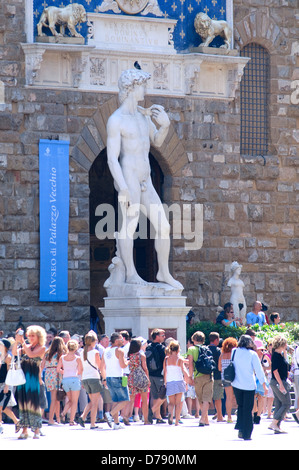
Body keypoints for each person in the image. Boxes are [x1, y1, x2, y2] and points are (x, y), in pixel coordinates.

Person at [106, 67, 182, 289]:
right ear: (131, 88)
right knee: (129, 227)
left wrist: (165, 125)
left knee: (163, 226)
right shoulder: (116, 120)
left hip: (146, 179)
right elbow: (112, 159)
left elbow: (156, 142)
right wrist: (123, 187)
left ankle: (163, 273)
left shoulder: (142, 115)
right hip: (128, 178)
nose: (145, 90)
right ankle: (131, 274)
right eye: (142, 86)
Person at [12, 325, 47, 439]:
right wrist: (17, 341)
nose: (30, 338)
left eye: (33, 336)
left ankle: (36, 430)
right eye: (29, 335)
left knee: (33, 402)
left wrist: (22, 342)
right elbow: (14, 353)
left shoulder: (42, 348)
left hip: (33, 379)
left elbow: (31, 355)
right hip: (23, 379)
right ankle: (25, 430)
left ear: (39, 337)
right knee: (23, 403)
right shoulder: (25, 346)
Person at [231, 335, 268, 441]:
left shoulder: (234, 351)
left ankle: (241, 429)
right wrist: (264, 385)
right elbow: (259, 371)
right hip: (249, 385)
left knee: (241, 406)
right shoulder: (253, 354)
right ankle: (247, 433)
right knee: (248, 409)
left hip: (236, 384)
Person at [102, 332, 130, 430]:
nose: (123, 341)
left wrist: (104, 378)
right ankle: (110, 414)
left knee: (115, 401)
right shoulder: (120, 351)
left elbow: (102, 367)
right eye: (121, 339)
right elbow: (123, 365)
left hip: (109, 378)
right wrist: (128, 361)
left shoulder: (106, 351)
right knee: (125, 400)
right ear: (117, 340)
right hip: (118, 377)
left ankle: (116, 423)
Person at [187, 331, 214, 427]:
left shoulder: (191, 349)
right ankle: (205, 419)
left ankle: (202, 419)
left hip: (198, 375)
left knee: (201, 398)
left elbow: (190, 364)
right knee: (207, 398)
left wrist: (190, 377)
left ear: (194, 339)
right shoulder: (207, 349)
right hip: (209, 375)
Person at [78, 331, 104, 429]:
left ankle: (83, 416)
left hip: (85, 378)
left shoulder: (81, 353)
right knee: (95, 402)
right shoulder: (95, 352)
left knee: (93, 401)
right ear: (93, 341)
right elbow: (100, 366)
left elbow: (80, 369)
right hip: (94, 377)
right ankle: (92, 423)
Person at [57, 339, 83, 426]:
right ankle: (71, 420)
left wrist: (64, 372)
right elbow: (80, 371)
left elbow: (58, 369)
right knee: (74, 401)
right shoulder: (77, 358)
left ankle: (63, 413)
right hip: (74, 379)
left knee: (70, 400)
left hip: (65, 380)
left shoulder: (62, 357)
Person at [41, 336, 67, 425]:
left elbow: (42, 365)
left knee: (56, 398)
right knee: (55, 398)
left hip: (48, 374)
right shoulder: (61, 354)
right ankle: (51, 419)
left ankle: (57, 419)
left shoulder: (47, 353)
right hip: (57, 374)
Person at [269, 335, 291, 434]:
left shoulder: (279, 355)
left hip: (276, 382)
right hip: (279, 382)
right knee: (287, 403)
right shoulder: (276, 356)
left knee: (279, 403)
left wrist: (285, 351)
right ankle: (274, 423)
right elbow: (275, 371)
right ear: (282, 344)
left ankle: (277, 426)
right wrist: (281, 384)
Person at [164, 340, 190, 426]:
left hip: (170, 381)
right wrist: (186, 382)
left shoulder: (166, 359)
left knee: (171, 403)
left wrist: (165, 382)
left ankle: (170, 415)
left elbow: (165, 372)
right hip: (179, 381)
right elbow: (184, 371)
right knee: (178, 403)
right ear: (178, 349)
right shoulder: (179, 359)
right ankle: (177, 421)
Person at [146, 329, 166, 424]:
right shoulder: (161, 348)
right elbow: (165, 362)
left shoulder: (148, 347)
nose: (164, 337)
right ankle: (152, 411)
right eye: (162, 335)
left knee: (154, 396)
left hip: (150, 374)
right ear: (157, 336)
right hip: (159, 375)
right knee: (164, 394)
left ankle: (158, 417)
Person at [127, 338, 150, 424]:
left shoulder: (130, 355)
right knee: (144, 400)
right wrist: (148, 378)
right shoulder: (141, 356)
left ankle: (127, 416)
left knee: (131, 399)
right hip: (141, 377)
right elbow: (145, 368)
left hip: (132, 377)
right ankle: (146, 420)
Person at [0, 339, 20, 433]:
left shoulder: (8, 358)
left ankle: (16, 421)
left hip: (5, 384)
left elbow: (9, 372)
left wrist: (7, 386)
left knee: (2, 407)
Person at [218, 337, 238, 423]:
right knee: (238, 397)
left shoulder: (222, 355)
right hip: (235, 377)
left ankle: (229, 417)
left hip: (225, 378)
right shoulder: (235, 354)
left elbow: (219, 368)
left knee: (228, 398)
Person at [208, 332, 224, 422]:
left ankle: (204, 416)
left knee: (206, 397)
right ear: (216, 340)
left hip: (207, 374)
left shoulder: (205, 349)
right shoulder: (218, 351)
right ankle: (220, 416)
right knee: (218, 397)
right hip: (217, 375)